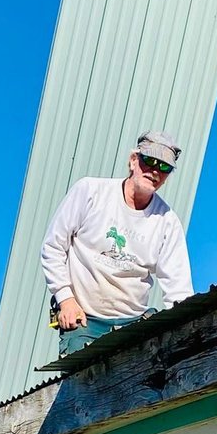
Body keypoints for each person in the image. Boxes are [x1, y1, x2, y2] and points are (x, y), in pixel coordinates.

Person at [40, 130, 194, 356]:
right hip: (85, 320)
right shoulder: (90, 191)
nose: (155, 171)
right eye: (150, 161)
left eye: (164, 167)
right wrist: (66, 299)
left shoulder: (167, 222)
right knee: (82, 382)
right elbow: (53, 247)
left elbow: (179, 290)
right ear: (133, 160)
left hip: (134, 324)